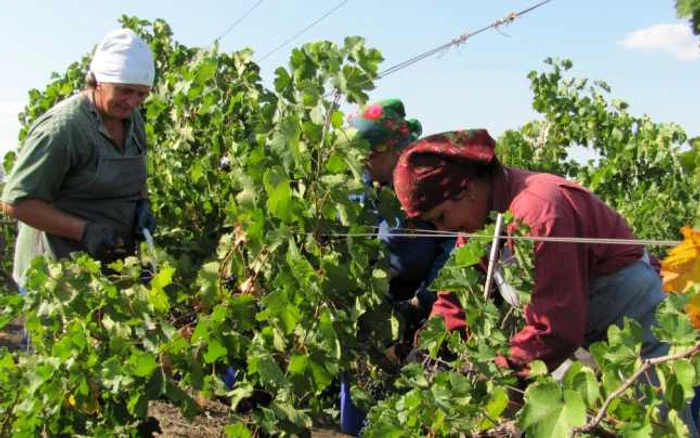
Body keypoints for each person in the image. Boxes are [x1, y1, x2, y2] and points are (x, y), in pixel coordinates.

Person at [392, 129, 698, 434]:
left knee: (651, 427)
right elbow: (456, 297)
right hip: (580, 344)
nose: (444, 231)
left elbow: (555, 330)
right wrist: (426, 356)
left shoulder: (539, 212)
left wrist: (490, 376)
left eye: (441, 218)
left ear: (466, 189)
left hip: (636, 340)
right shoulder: (481, 222)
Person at [1, 28, 156, 292]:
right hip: (57, 279)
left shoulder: (132, 119)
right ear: (97, 82)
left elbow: (134, 170)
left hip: (110, 271)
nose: (132, 102)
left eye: (142, 94)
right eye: (125, 91)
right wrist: (84, 231)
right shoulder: (63, 129)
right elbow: (16, 203)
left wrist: (143, 202)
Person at [348, 99, 455, 325]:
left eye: (368, 156)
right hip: (373, 306)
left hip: (421, 309)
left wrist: (423, 302)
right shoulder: (361, 183)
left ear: (393, 149)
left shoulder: (427, 185)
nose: (361, 162)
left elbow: (453, 247)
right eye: (356, 156)